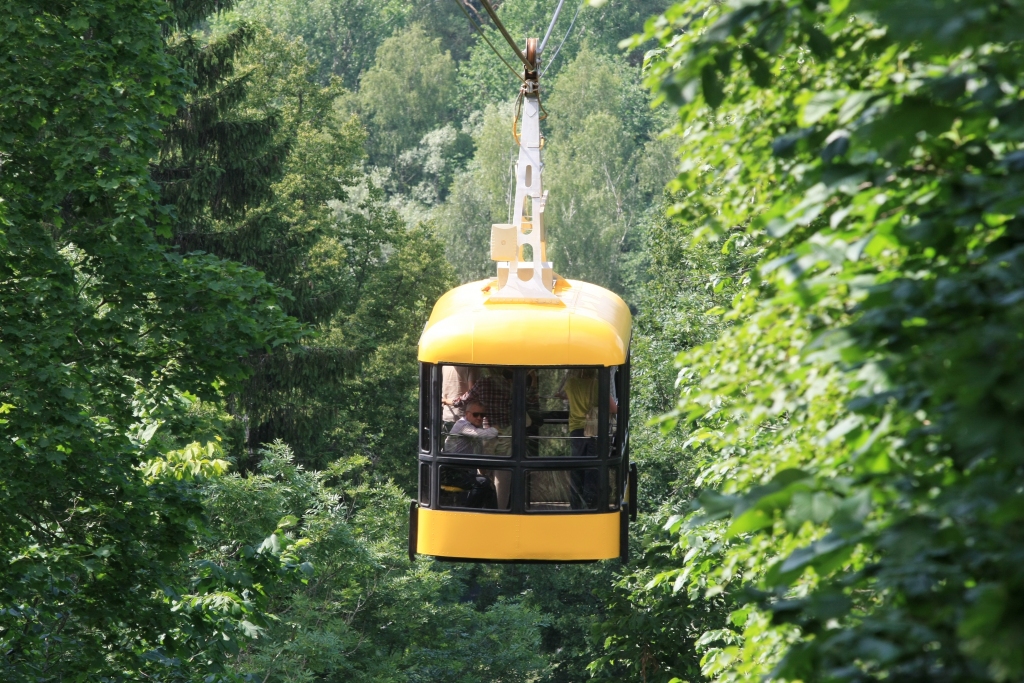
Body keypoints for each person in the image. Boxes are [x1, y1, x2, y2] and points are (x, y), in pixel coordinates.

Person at [454, 367, 513, 508]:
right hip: (506, 431)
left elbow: (465, 399)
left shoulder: (483, 383)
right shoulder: (510, 385)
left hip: (487, 431)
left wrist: (452, 401)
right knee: (503, 473)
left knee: (483, 470)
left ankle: (485, 507)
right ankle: (500, 509)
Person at [563, 369, 618, 509]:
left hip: (576, 429)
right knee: (592, 467)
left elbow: (566, 397)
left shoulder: (570, 383)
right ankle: (590, 502)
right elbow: (613, 408)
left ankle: (575, 503)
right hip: (594, 430)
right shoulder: (598, 385)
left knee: (577, 467)